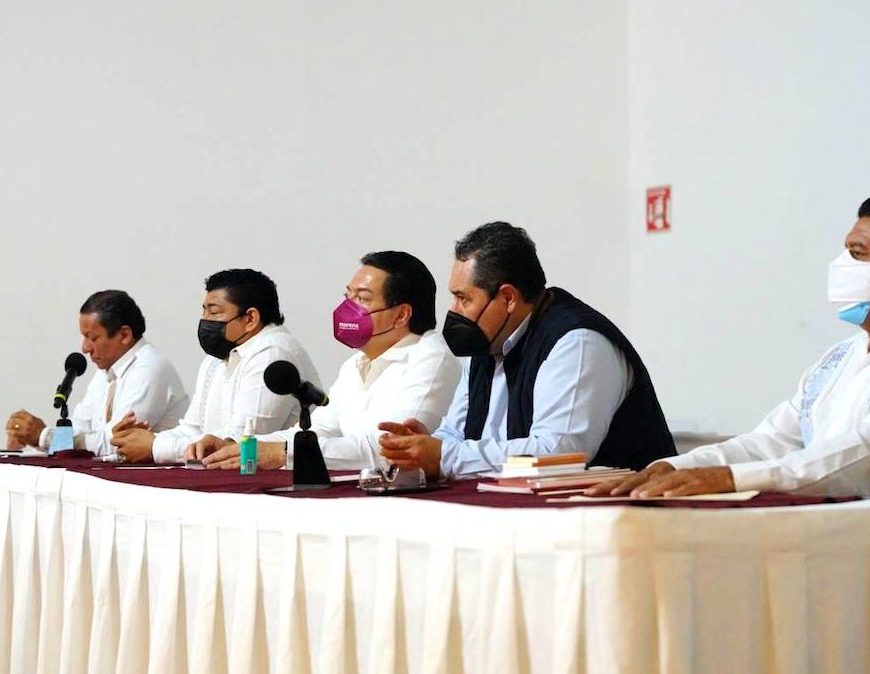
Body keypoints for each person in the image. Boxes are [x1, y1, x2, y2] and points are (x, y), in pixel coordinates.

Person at [586, 197, 870, 499]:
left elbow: (858, 453)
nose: (842, 264)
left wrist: (731, 478)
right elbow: (772, 442)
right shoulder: (838, 359)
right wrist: (675, 467)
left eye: (858, 253)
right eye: (846, 250)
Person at [378, 222, 676, 480]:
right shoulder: (486, 344)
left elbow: (558, 453)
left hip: (621, 514)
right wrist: (422, 446)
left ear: (508, 298)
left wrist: (444, 455)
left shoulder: (576, 342)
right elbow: (458, 434)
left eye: (463, 299)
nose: (454, 310)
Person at [186, 251, 462, 470]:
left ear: (401, 315)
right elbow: (319, 430)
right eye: (347, 296)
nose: (347, 307)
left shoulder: (431, 358)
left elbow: (391, 449)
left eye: (362, 298)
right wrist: (240, 446)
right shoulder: (355, 364)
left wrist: (284, 454)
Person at [112, 268, 319, 463]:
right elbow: (193, 429)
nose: (204, 320)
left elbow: (239, 441)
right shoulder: (216, 359)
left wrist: (155, 447)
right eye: (204, 311)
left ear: (250, 319)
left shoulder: (272, 354)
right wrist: (136, 440)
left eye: (214, 312)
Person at [5, 290, 188, 455]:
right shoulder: (106, 371)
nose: (85, 348)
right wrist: (32, 438)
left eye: (93, 338)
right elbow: (80, 427)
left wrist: (44, 437)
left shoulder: (150, 368)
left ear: (124, 335)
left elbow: (116, 443)